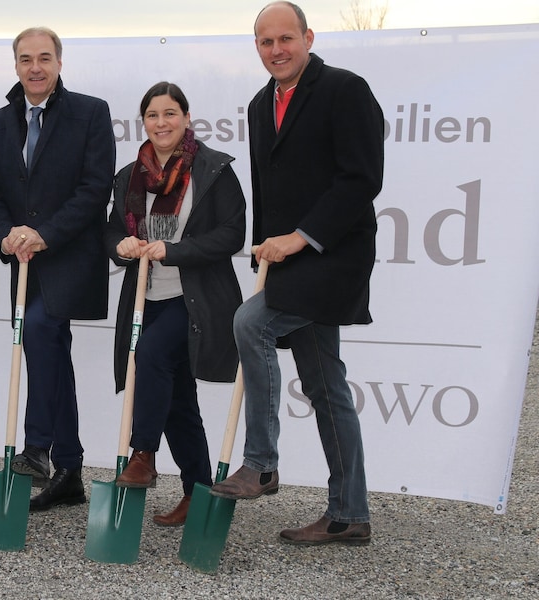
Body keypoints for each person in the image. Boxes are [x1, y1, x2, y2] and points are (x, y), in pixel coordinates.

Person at [210, 1, 384, 546]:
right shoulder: (261, 104)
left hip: (333, 258)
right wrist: (270, 246)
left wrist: (300, 237)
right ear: (256, 47)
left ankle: (261, 463)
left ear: (308, 37)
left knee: (249, 324)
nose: (277, 50)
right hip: (287, 262)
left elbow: (361, 179)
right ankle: (349, 514)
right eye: (266, 42)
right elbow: (271, 187)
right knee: (326, 386)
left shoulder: (344, 89)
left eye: (286, 38)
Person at [0, 27, 115, 511]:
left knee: (39, 329)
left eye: (44, 58)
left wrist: (46, 233)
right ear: (15, 65)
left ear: (59, 62)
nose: (35, 67)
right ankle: (70, 469)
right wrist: (4, 234)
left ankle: (36, 446)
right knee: (49, 347)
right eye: (25, 59)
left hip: (71, 254)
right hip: (25, 259)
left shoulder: (90, 113)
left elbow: (95, 188)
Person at [105, 82, 246, 526]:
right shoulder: (130, 175)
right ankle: (199, 492)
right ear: (142, 121)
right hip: (146, 297)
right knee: (178, 400)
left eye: (170, 114)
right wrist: (122, 245)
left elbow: (231, 235)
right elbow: (110, 231)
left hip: (196, 300)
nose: (161, 123)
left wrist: (173, 249)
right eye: (152, 115)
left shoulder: (214, 169)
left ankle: (142, 452)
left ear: (186, 117)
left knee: (149, 358)